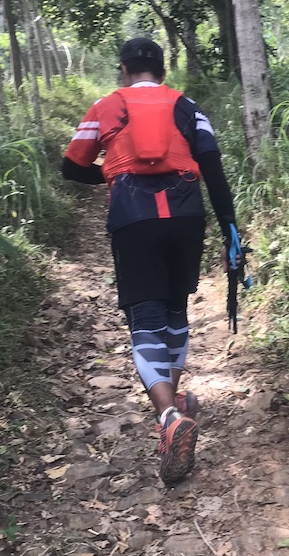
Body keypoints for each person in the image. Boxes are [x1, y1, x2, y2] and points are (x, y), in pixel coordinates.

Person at [61, 37, 238, 486]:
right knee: (176, 311)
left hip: (133, 218)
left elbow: (71, 166)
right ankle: (173, 400)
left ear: (124, 70)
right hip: (186, 215)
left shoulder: (106, 106)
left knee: (145, 317)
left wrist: (111, 171)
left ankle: (169, 418)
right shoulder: (187, 106)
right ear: (162, 70)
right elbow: (213, 170)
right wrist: (231, 233)